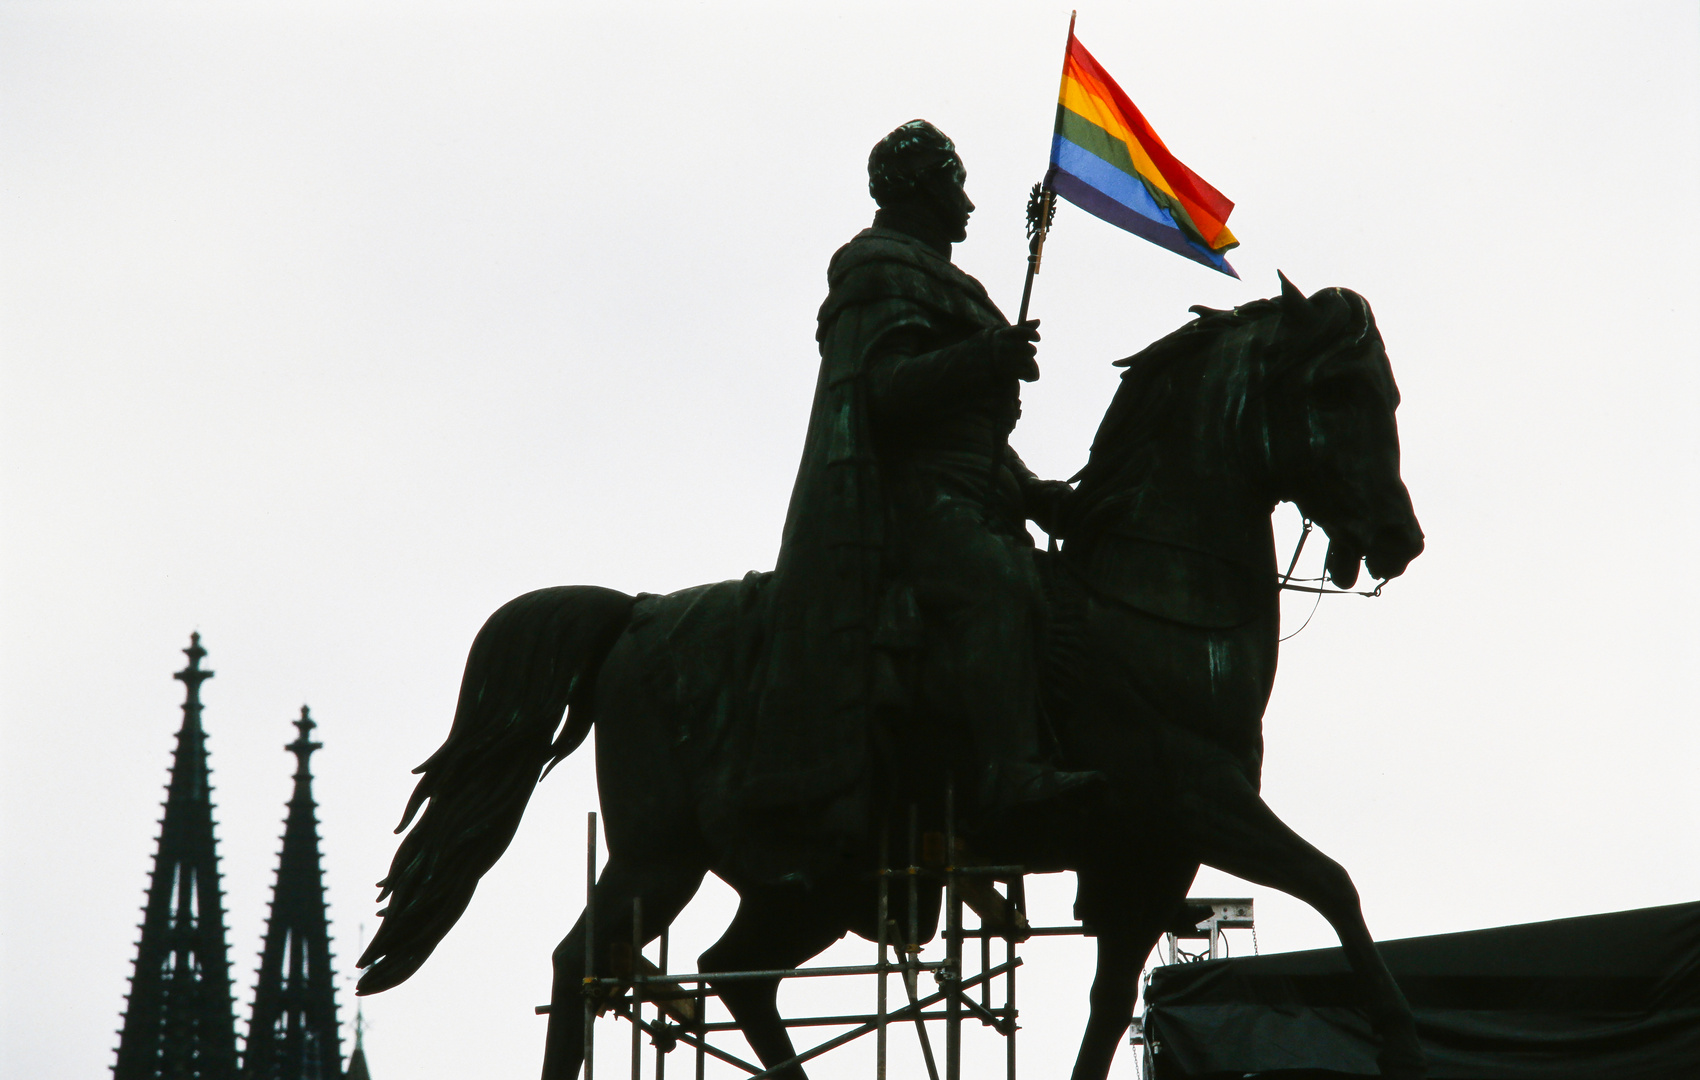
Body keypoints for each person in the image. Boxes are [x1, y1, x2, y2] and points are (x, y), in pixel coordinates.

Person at [743, 119, 1098, 821]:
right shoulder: (875, 269)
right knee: (998, 584)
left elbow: (970, 432)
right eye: (955, 182)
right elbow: (880, 393)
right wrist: (983, 358)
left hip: (975, 495)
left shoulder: (952, 286)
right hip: (908, 501)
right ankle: (1008, 772)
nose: (966, 202)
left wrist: (1033, 496)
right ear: (915, 185)